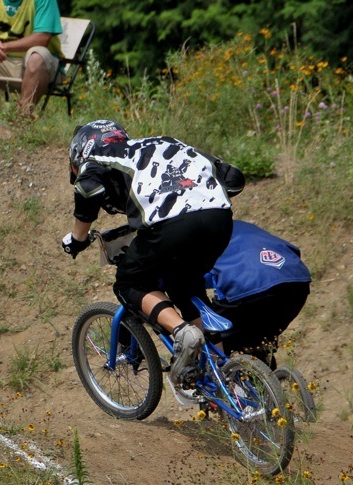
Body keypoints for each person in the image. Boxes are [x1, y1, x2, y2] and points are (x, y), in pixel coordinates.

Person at [61, 120, 246, 387]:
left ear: (81, 151)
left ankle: (183, 333)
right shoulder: (166, 142)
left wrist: (77, 240)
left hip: (170, 224)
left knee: (129, 283)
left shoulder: (100, 156)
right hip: (219, 220)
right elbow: (234, 179)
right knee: (183, 285)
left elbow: (88, 189)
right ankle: (221, 374)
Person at [202, 219, 312, 366]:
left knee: (207, 341)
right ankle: (269, 379)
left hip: (248, 288)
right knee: (258, 340)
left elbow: (191, 280)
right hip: (296, 282)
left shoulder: (195, 236)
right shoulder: (239, 225)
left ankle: (226, 381)